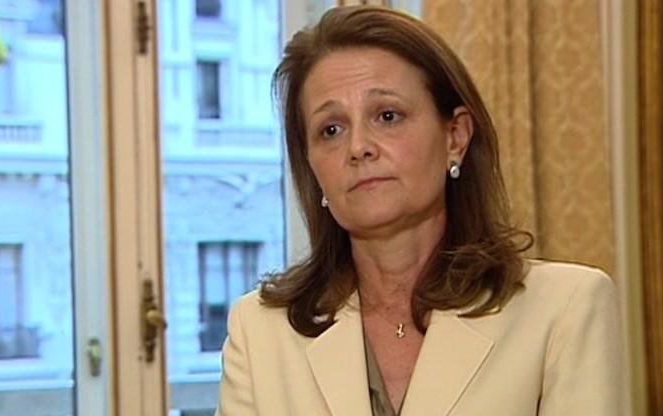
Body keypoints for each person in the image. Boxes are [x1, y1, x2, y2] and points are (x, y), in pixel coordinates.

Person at [216, 5, 622, 416]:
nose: (358, 147)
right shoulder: (259, 332)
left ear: (455, 137)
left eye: (387, 116)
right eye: (331, 130)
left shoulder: (564, 308)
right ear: (311, 166)